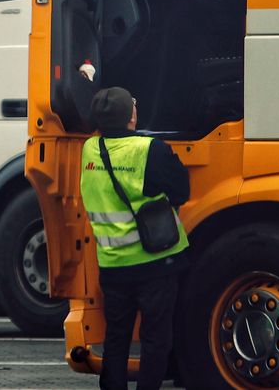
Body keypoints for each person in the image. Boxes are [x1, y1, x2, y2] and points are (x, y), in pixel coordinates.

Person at [80, 86, 190, 390]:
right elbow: (182, 191)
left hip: (113, 267)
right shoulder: (150, 149)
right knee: (155, 340)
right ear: (131, 115)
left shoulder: (89, 150)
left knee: (117, 338)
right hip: (155, 263)